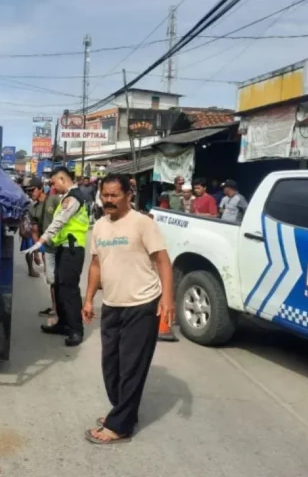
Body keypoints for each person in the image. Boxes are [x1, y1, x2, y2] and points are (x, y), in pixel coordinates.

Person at [81, 173, 174, 444]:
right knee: (111, 366)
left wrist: (167, 299)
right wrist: (88, 299)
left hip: (142, 304)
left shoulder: (143, 223)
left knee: (132, 368)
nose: (108, 200)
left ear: (128, 196)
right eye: (105, 195)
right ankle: (122, 412)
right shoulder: (99, 226)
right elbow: (96, 265)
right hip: (112, 304)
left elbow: (163, 262)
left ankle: (120, 425)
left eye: (114, 195)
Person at [24, 167, 90, 346]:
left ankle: (76, 330)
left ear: (62, 179)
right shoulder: (66, 197)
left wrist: (40, 242)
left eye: (53, 182)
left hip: (73, 248)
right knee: (59, 287)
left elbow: (58, 221)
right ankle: (63, 324)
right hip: (63, 247)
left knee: (69, 289)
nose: (52, 187)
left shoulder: (73, 197)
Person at [27, 177, 61, 317]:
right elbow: (35, 231)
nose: (30, 193)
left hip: (63, 245)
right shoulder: (32, 208)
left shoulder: (54, 200)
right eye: (28, 191)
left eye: (32, 190)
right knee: (51, 279)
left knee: (64, 279)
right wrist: (37, 251)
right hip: (48, 248)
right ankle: (55, 307)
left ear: (40, 188)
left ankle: (64, 307)